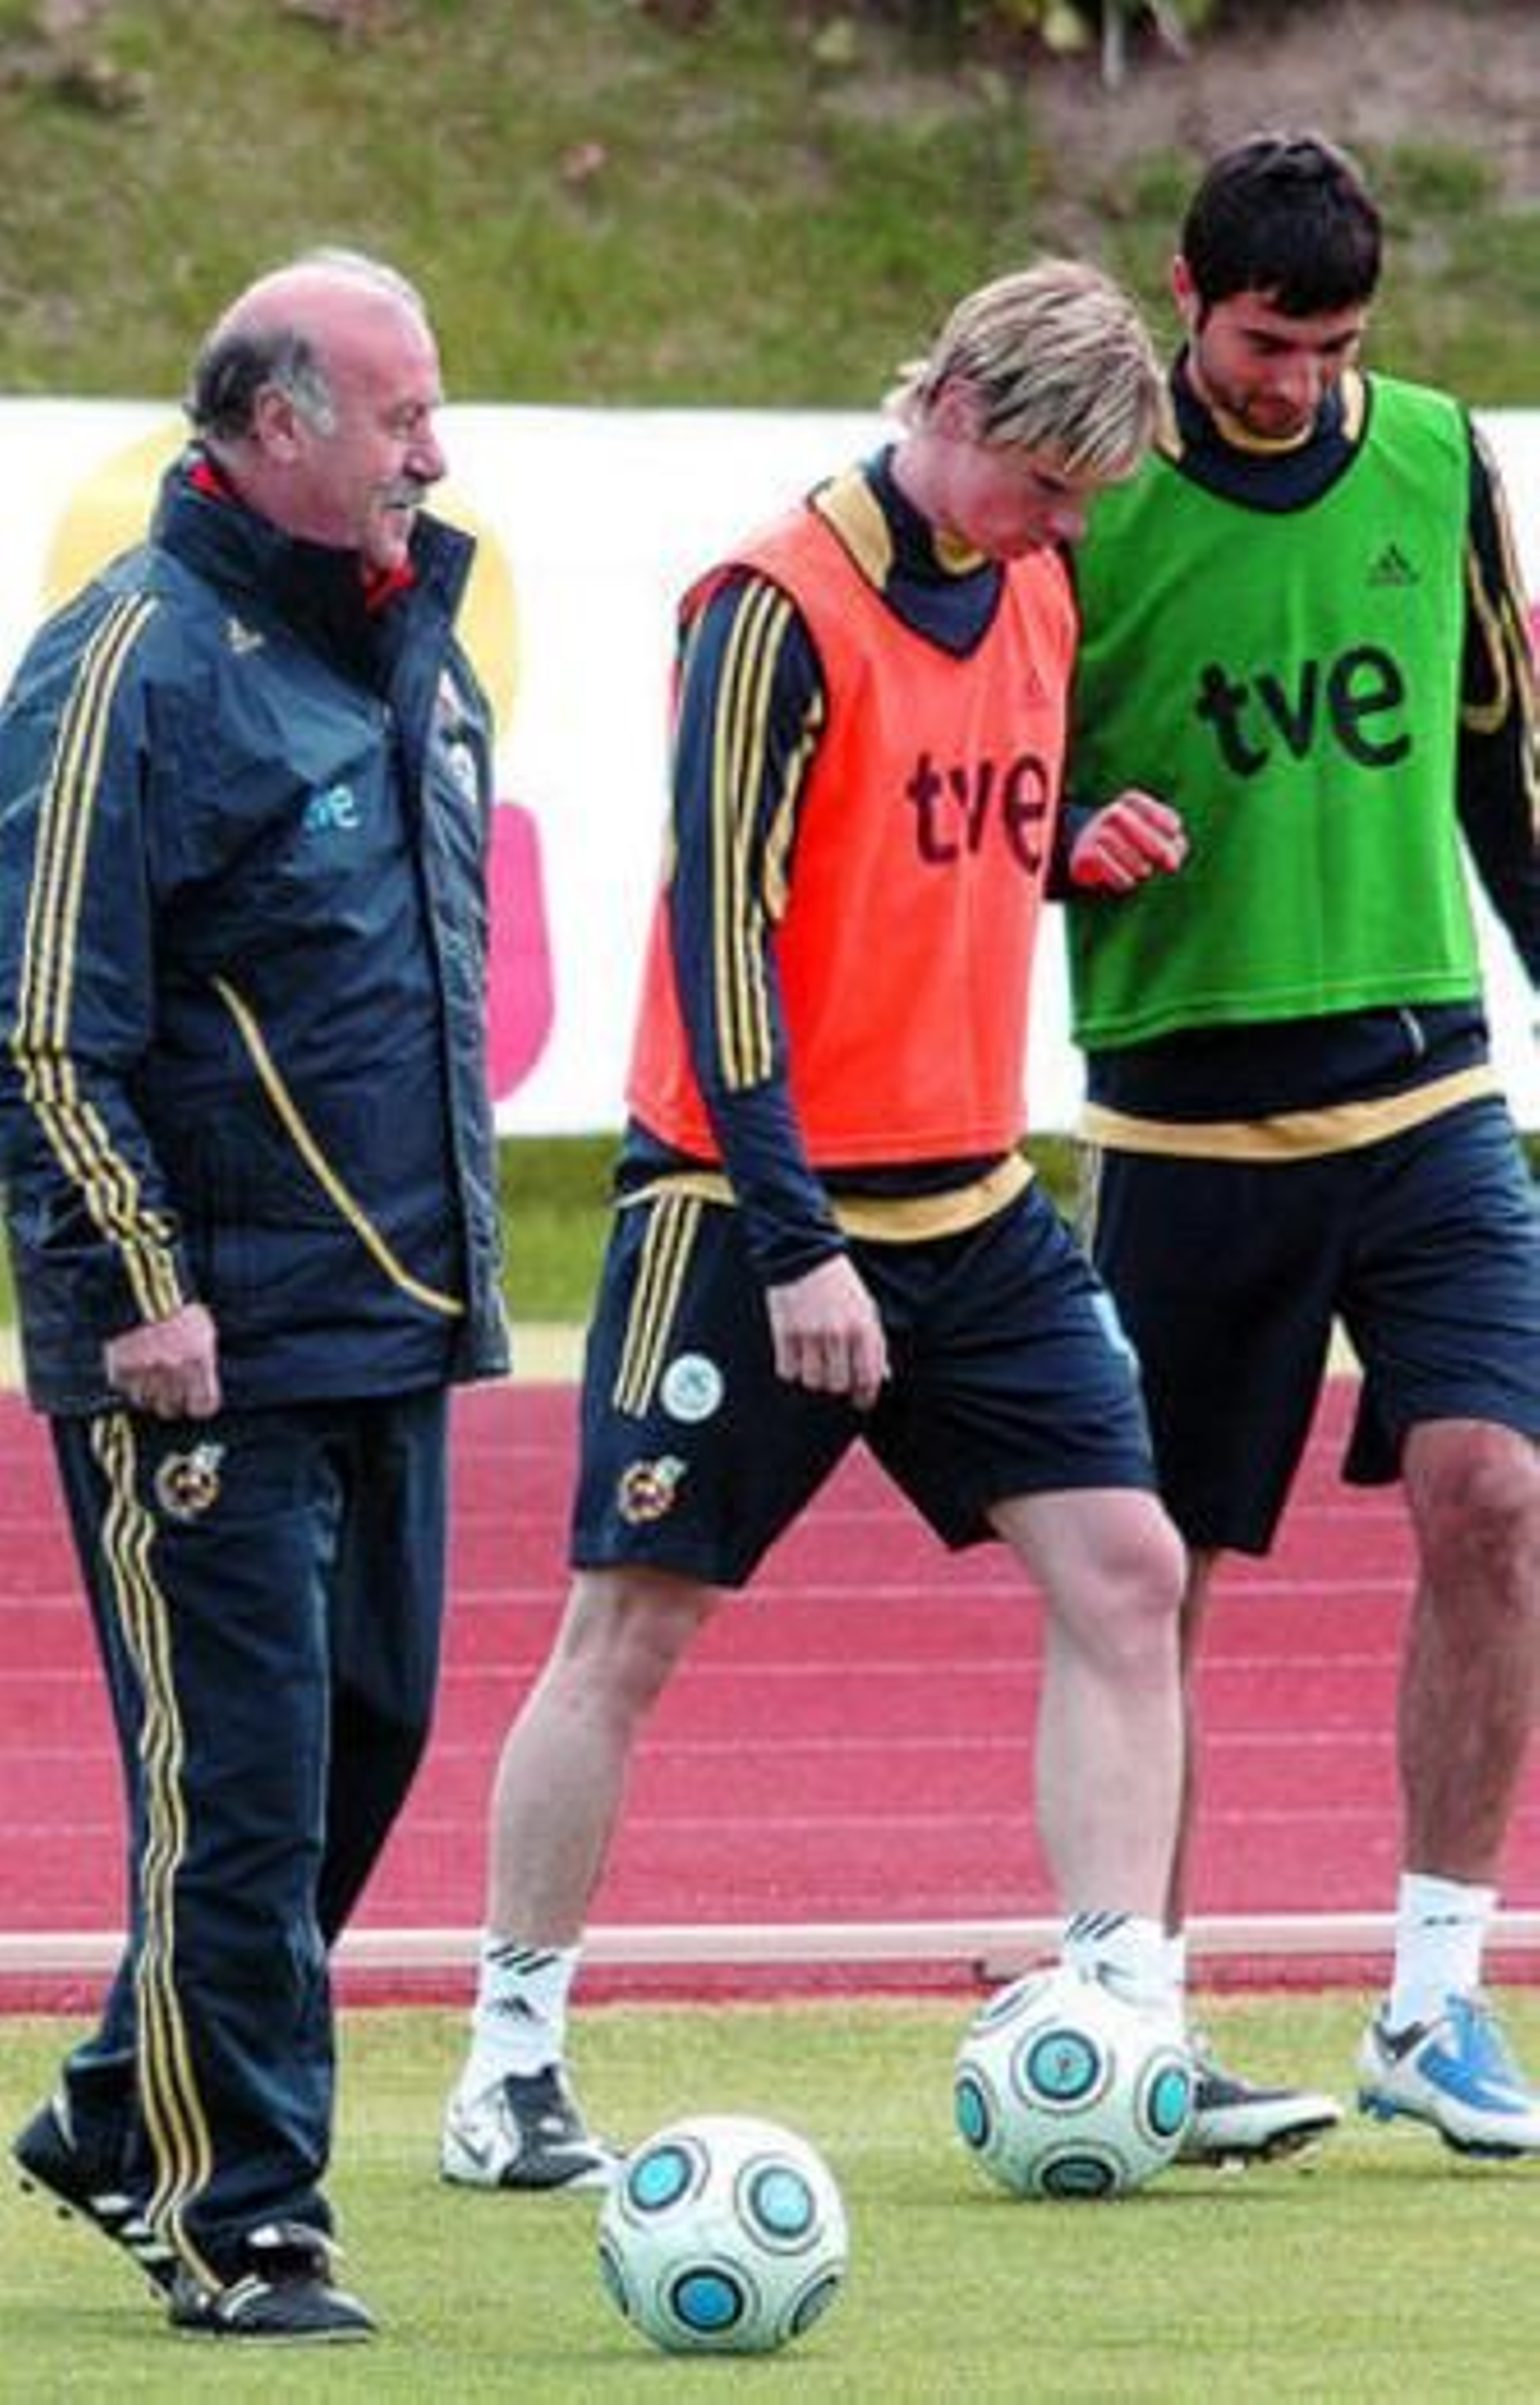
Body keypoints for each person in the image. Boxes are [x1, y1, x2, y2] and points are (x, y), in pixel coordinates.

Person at [440, 259, 1192, 2194]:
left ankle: (1125, 2028)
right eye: (1043, 479)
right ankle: (505, 2056)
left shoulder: (1032, 577)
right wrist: (793, 1243)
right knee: (631, 1625)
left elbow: (926, 835)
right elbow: (721, 943)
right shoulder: (768, 607)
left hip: (969, 1189)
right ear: (945, 398)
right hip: (742, 1198)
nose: (1064, 523)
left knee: (1124, 1567)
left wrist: (1061, 843)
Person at [0, 249, 508, 2340]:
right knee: (241, 1787)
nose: (433, 452)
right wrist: (138, 1285)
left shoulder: (407, 650)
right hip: (198, 1347)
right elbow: (44, 1019)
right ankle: (242, 2217)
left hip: (393, 1314)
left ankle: (124, 2103)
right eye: (400, 417)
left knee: (365, 1745)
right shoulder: (125, 660)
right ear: (275, 422)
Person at [1062, 130, 1540, 2167]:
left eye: (1331, 341)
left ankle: (1434, 1998)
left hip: (1427, 1092)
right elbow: (995, 771)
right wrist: (1055, 846)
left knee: (1495, 1491)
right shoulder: (1086, 490)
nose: (1294, 378)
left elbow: (1499, 758)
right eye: (1265, 341)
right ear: (1186, 294)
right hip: (1181, 1106)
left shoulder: (1433, 463)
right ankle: (1141, 2014)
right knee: (1161, 1571)